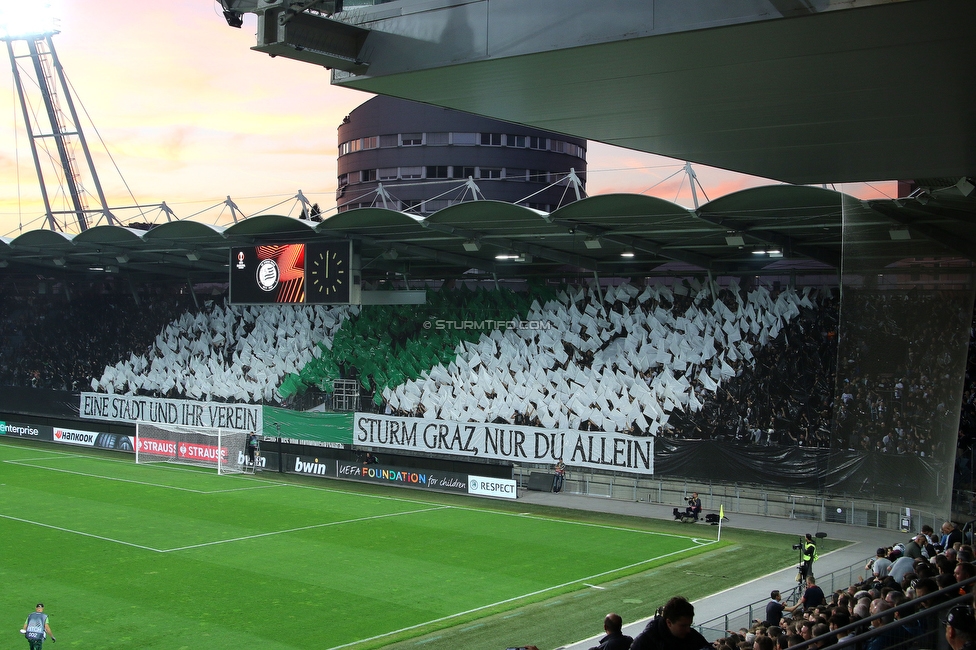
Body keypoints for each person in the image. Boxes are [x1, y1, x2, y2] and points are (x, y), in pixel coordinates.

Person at [630, 596, 710, 650]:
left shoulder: (691, 636)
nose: (688, 630)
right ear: (669, 622)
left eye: (689, 625)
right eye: (683, 626)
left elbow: (705, 646)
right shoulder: (644, 642)